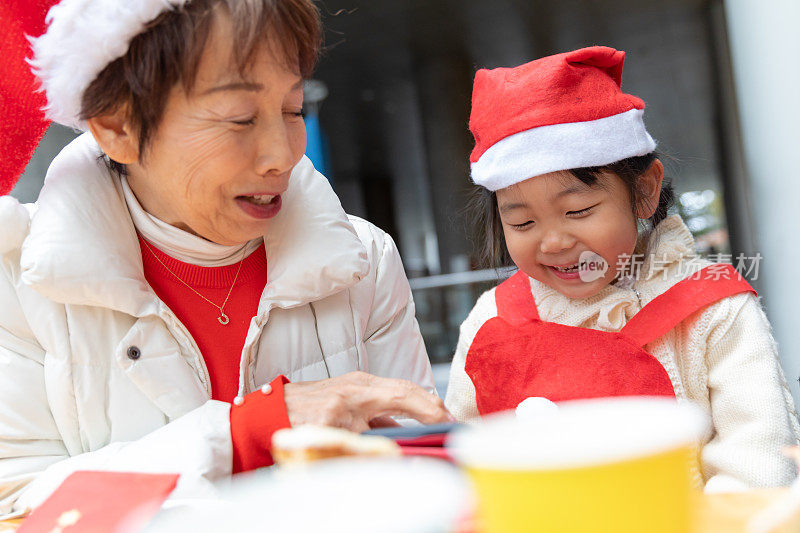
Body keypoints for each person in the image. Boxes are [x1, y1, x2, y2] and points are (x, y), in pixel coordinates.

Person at [0, 0, 451, 516]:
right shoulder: (18, 284)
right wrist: (245, 432)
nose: (282, 155)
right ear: (119, 127)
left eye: (293, 109)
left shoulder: (363, 260)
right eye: (240, 119)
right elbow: (15, 506)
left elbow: (424, 465)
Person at [445, 46, 800, 490]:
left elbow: (756, 460)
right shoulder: (491, 316)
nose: (553, 242)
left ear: (645, 191)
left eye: (578, 211)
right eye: (522, 222)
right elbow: (464, 452)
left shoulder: (712, 309)